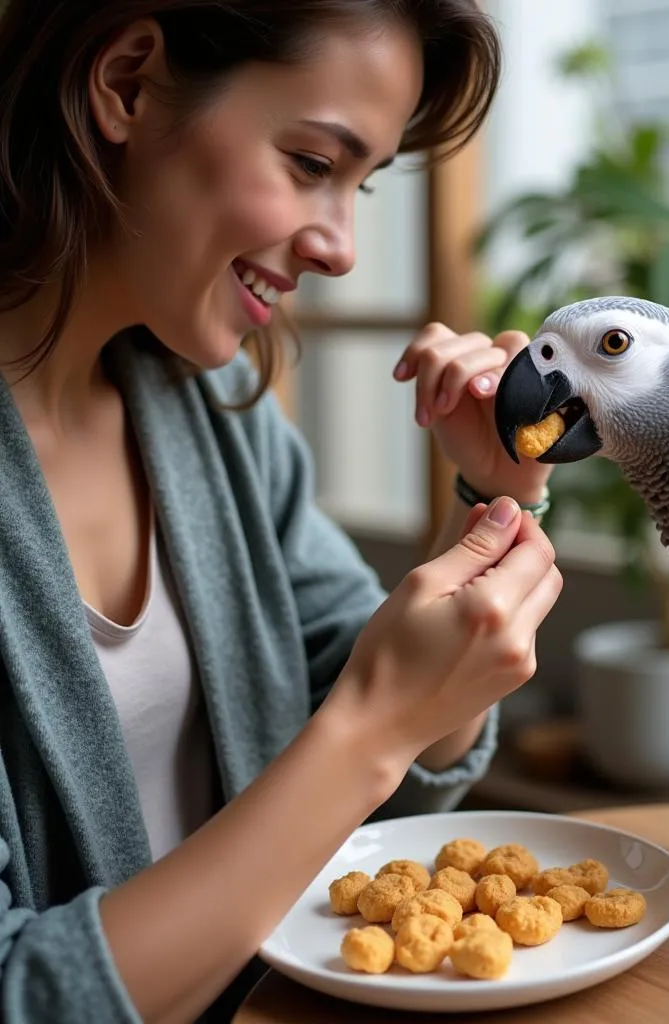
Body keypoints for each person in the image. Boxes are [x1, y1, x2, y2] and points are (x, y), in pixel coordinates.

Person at [0, 2, 561, 1021]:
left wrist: (492, 503)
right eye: (311, 163)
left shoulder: (219, 419)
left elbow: (376, 788)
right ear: (126, 83)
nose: (342, 248)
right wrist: (371, 725)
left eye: (361, 184)